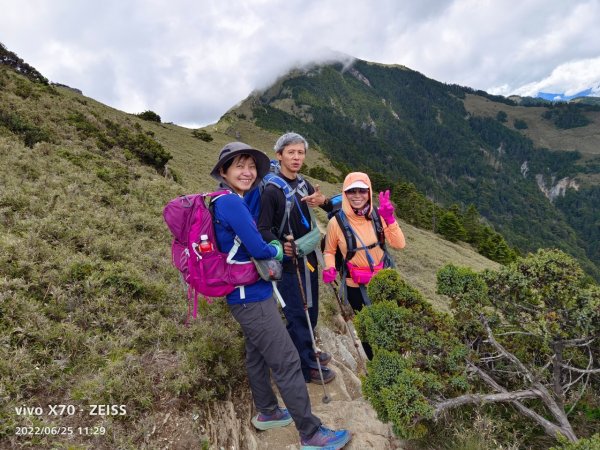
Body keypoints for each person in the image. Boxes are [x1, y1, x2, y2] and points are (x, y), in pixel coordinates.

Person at [210, 141, 351, 449]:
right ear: (223, 171)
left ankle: (268, 411)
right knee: (286, 360)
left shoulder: (228, 199)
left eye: (251, 167)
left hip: (244, 293)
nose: (247, 173)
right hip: (251, 297)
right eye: (239, 167)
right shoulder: (232, 203)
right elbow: (261, 247)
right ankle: (311, 433)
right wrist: (276, 248)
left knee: (257, 353)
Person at [257, 132, 336, 384]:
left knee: (310, 310)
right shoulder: (271, 191)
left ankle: (308, 349)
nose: (296, 157)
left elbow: (329, 206)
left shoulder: (303, 183)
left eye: (300, 152)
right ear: (279, 155)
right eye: (291, 152)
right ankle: (304, 367)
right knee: (297, 314)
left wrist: (321, 200)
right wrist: (280, 245)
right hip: (289, 264)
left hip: (308, 257)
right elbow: (263, 228)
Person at [322, 172, 406, 359]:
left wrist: (390, 220)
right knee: (367, 327)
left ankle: (395, 362)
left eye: (362, 190)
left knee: (390, 323)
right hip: (355, 286)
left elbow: (399, 244)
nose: (357, 195)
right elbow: (329, 250)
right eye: (352, 191)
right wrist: (329, 267)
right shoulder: (336, 223)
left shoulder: (378, 215)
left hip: (384, 282)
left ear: (369, 192)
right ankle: (376, 362)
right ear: (345, 193)